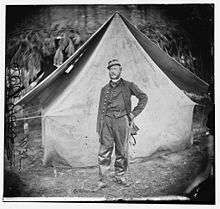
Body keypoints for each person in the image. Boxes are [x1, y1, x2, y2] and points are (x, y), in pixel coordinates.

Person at [96, 59, 148, 188]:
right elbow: (100, 110)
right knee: (104, 151)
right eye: (110, 69)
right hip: (107, 122)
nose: (113, 71)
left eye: (115, 69)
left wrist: (133, 113)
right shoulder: (104, 89)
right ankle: (103, 179)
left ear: (120, 70)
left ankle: (120, 176)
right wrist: (99, 127)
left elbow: (143, 97)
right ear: (108, 71)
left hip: (122, 121)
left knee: (122, 150)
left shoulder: (129, 85)